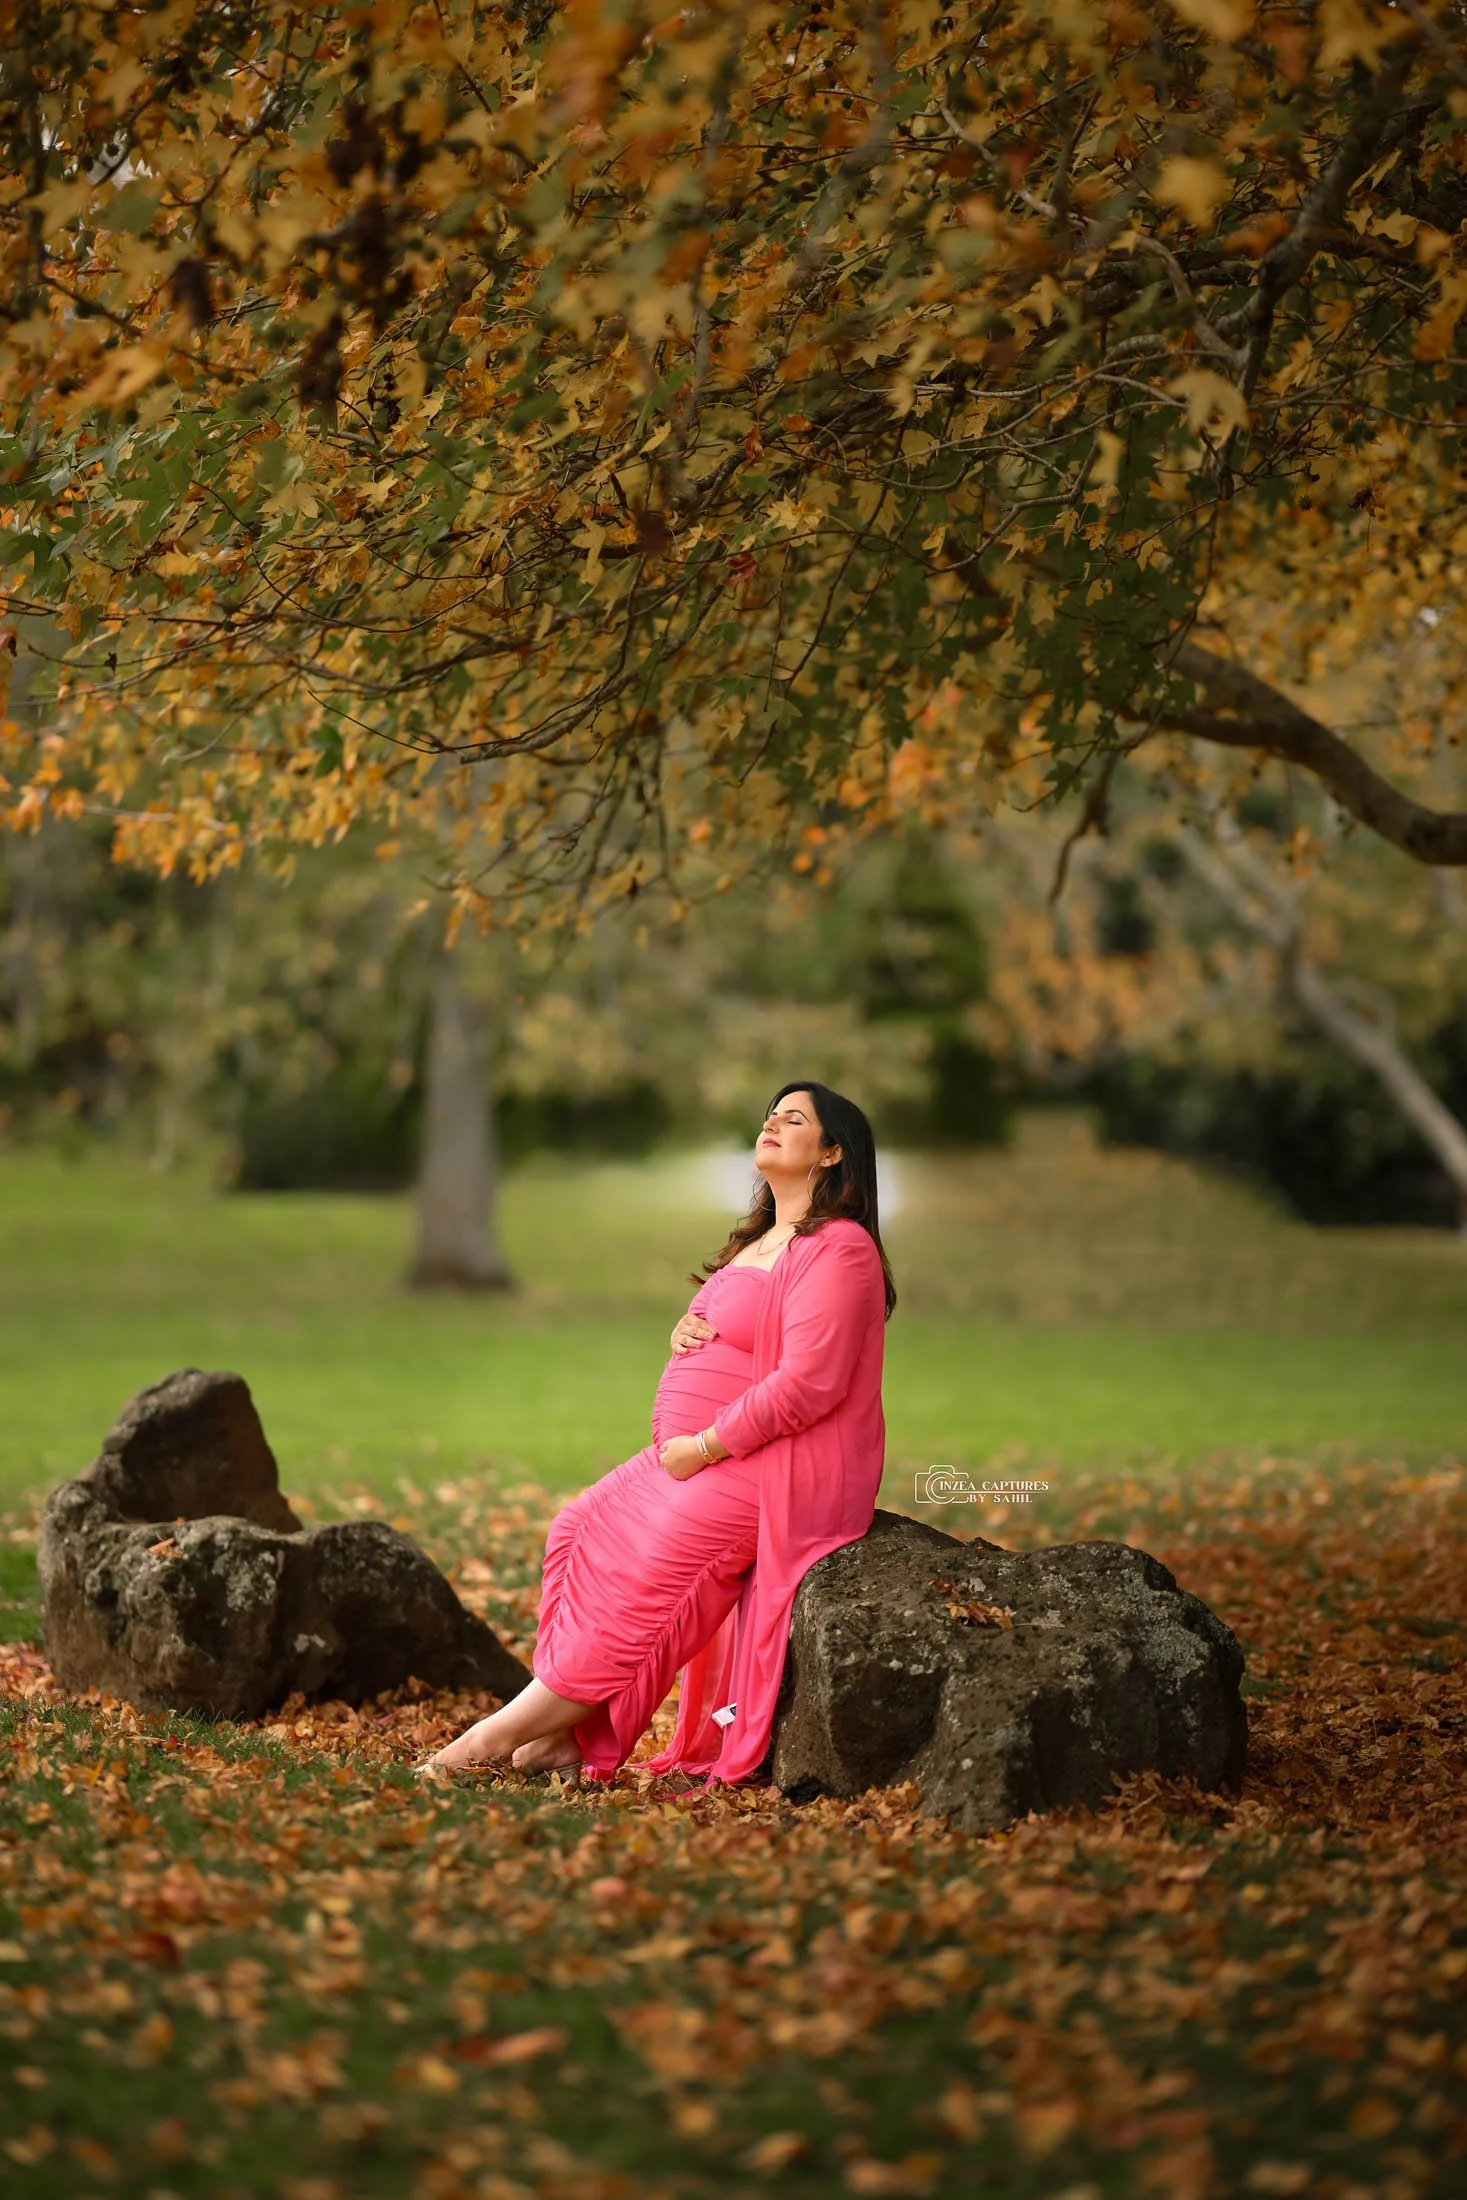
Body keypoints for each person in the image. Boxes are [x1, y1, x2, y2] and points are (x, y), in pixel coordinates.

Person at [414, 1080, 896, 1790]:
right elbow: (741, 1329)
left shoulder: (840, 1249)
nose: (770, 1123)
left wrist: (705, 1445)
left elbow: (810, 1382)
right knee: (577, 1530)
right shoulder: (762, 1239)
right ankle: (567, 1736)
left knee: (644, 1593)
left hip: (770, 1467)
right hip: (700, 1456)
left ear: (831, 1152)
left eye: (792, 1119)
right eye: (769, 1113)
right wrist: (688, 1334)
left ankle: (491, 1738)